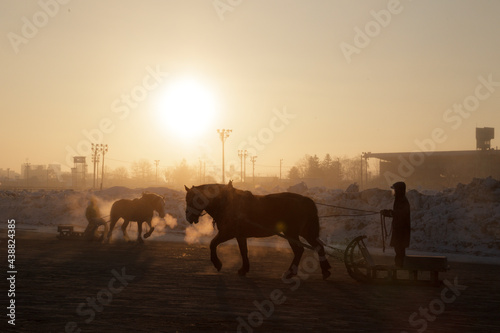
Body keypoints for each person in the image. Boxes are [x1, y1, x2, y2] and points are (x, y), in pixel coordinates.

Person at [380, 181, 411, 267]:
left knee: (399, 250)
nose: (393, 192)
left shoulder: (402, 201)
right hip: (399, 230)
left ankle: (399, 267)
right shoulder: (400, 200)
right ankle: (399, 266)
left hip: (401, 231)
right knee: (398, 250)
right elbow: (397, 213)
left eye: (395, 190)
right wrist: (388, 213)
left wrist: (389, 213)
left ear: (399, 191)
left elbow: (400, 214)